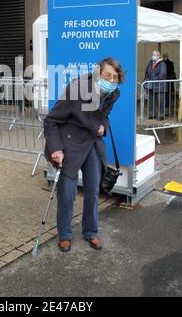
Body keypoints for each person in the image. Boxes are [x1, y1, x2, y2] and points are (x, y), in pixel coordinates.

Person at [43, 57, 124, 253]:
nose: (111, 81)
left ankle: (91, 231)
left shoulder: (113, 93)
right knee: (67, 193)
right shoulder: (77, 89)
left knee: (93, 190)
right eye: (107, 76)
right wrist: (55, 148)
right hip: (70, 143)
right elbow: (51, 120)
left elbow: (104, 116)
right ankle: (65, 234)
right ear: (98, 74)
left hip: (91, 144)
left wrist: (103, 127)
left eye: (115, 77)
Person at [144, 50, 167, 121]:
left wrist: (152, 79)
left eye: (155, 55)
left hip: (160, 86)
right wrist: (147, 78)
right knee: (151, 100)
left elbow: (162, 74)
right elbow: (146, 71)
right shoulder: (150, 62)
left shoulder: (162, 64)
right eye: (153, 54)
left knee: (160, 101)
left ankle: (161, 115)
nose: (153, 56)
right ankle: (152, 114)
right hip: (151, 86)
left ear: (159, 56)